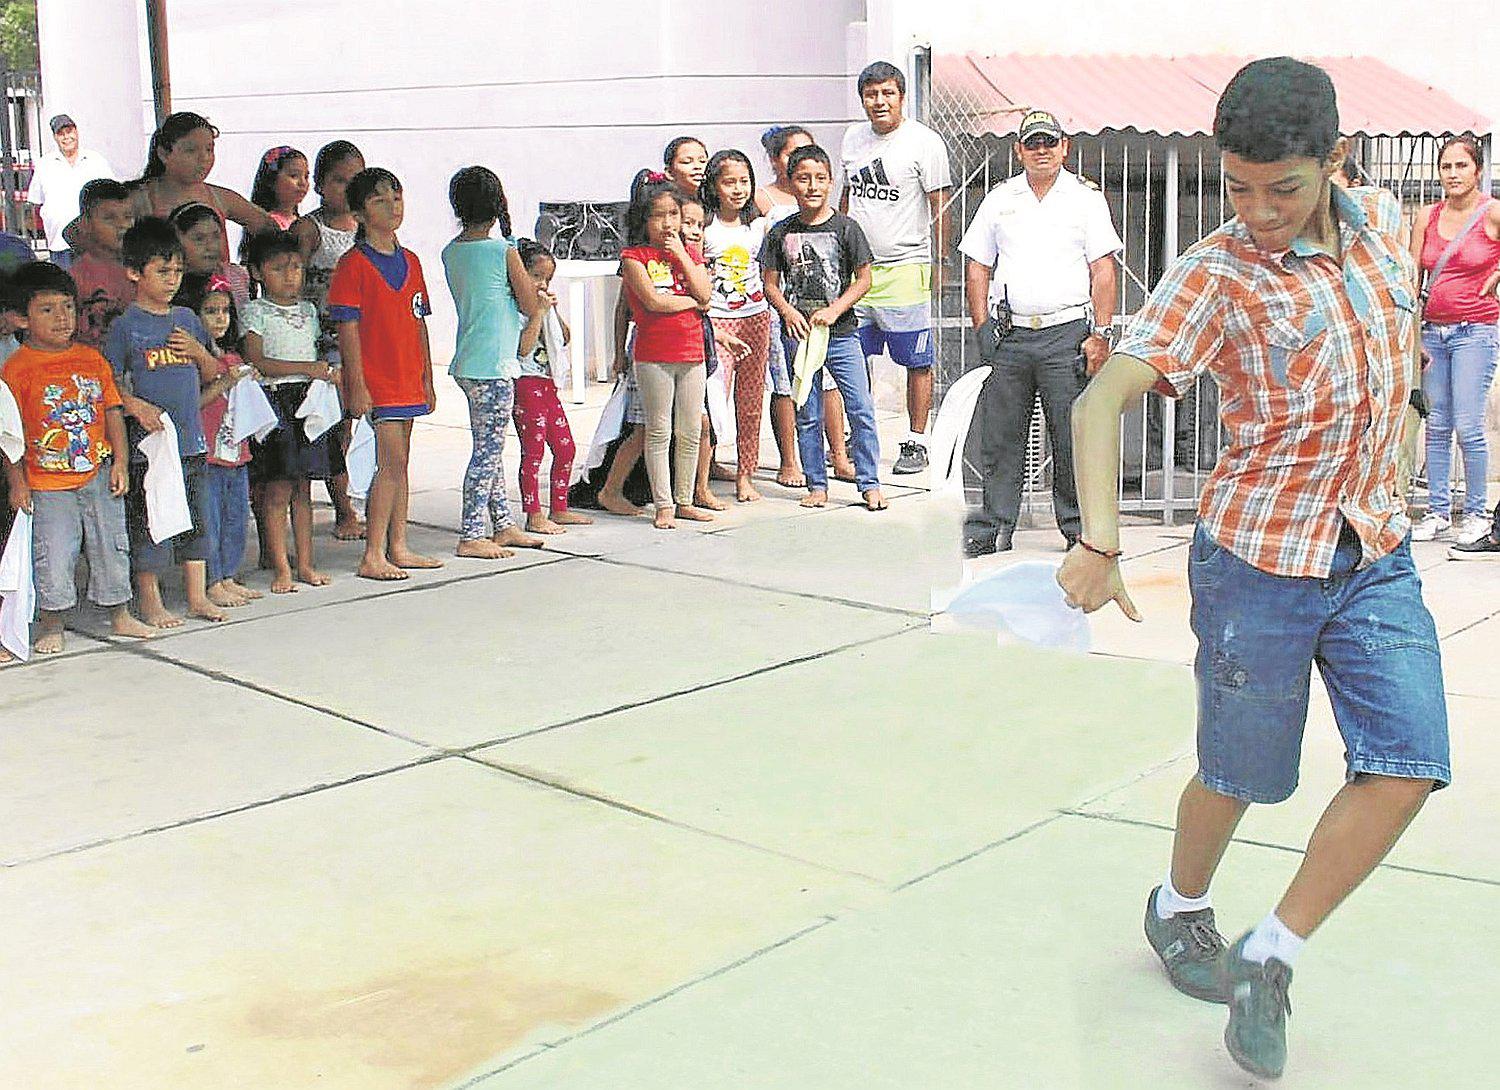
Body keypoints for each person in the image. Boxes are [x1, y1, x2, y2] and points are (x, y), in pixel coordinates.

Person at [1059, 57, 1444, 1081]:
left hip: (1372, 551)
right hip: (1257, 564)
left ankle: (1270, 954)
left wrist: (1403, 430)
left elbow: (1398, 362)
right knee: (1244, 777)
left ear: (1336, 163)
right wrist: (1099, 540)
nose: (1259, 211)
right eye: (1238, 186)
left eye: (1284, 188)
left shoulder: (1386, 233)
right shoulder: (1216, 272)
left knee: (1408, 762)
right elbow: (1102, 403)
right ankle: (1180, 906)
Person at [958, 108, 1123, 556]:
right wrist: (981, 325)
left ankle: (1076, 530)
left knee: (1070, 437)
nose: (1042, 151)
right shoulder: (1000, 198)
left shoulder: (1085, 199)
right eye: (1033, 143)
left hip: (1065, 334)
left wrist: (1101, 334)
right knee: (1000, 437)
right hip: (1010, 335)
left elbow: (1103, 271)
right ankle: (994, 527)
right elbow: (977, 264)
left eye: (1050, 142)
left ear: (1064, 147)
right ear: (1019, 151)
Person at [0, 262, 155, 655]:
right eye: (47, 310)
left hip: (98, 473)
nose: (61, 318)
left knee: (111, 543)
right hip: (46, 482)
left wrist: (120, 461)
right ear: (22, 318)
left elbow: (111, 411)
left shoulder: (91, 358)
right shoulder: (15, 369)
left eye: (67, 307)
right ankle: (53, 620)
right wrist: (18, 483)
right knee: (53, 551)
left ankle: (119, 610)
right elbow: (9, 435)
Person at [103, 217, 227, 627]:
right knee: (149, 520)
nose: (172, 279)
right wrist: (134, 404)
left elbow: (214, 373)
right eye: (162, 271)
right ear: (135, 272)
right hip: (148, 446)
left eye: (177, 270)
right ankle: (151, 598)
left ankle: (197, 594)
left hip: (190, 441)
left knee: (197, 518)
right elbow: (105, 384)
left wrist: (196, 350)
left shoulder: (189, 319)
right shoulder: (126, 327)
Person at [327, 167, 442, 581]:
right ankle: (373, 551)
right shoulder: (353, 265)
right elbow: (348, 327)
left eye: (396, 197)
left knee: (401, 464)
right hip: (379, 379)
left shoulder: (411, 261)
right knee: (388, 464)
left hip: (408, 374)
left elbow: (419, 322)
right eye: (379, 200)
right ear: (358, 213)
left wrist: (427, 377)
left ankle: (398, 544)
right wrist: (357, 384)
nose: (392, 206)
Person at [840, 60, 952, 475]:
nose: (879, 101)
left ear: (901, 97)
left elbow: (941, 205)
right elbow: (847, 198)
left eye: (887, 93)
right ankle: (860, 433)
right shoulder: (853, 139)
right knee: (853, 356)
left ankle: (916, 440)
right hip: (859, 271)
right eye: (871, 94)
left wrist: (941, 262)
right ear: (863, 100)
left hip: (907, 266)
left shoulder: (925, 142)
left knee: (915, 360)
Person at [762, 145, 884, 512]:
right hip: (799, 337)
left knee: (860, 408)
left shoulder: (847, 228)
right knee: (807, 409)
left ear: (831, 182)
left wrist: (834, 310)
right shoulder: (781, 231)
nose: (812, 186)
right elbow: (770, 283)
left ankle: (870, 483)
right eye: (803, 179)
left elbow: (863, 279)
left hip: (842, 334)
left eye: (819, 179)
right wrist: (787, 312)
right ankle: (817, 484)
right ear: (790, 183)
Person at [440, 165, 544, 559]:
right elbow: (528, 302)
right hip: (495, 364)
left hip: (470, 359)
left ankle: (502, 523)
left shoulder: (451, 251)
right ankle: (471, 532)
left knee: (490, 446)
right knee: (487, 450)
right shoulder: (503, 250)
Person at [1408, 134, 1500, 546]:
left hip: (1475, 329)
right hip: (1433, 333)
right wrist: (1410, 334)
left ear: (1477, 170)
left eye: (1461, 166)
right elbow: (1413, 275)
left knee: (1468, 424)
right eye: (1447, 167)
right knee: (1437, 424)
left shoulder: (1491, 213)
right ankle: (1438, 511)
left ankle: (1479, 511)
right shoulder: (1427, 216)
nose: (1453, 174)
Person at [618, 176, 715, 530]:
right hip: (654, 354)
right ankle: (664, 504)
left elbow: (706, 293)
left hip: (692, 353)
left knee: (690, 429)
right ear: (643, 219)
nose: (669, 223)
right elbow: (654, 301)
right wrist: (690, 301)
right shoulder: (633, 258)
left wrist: (681, 256)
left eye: (673, 214)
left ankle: (685, 499)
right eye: (659, 216)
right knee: (659, 430)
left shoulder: (687, 252)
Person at [241, 230, 335, 593]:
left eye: (296, 267)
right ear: (258, 273)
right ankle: (281, 565)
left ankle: (307, 563)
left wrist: (319, 374)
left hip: (308, 400)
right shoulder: (256, 311)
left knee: (303, 488)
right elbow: (258, 361)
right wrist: (308, 369)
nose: (291, 275)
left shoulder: (309, 311)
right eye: (279, 269)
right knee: (278, 488)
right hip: (276, 399)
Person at [294, 139, 367, 542]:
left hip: (361, 336)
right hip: (323, 340)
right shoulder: (310, 228)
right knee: (332, 424)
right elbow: (292, 278)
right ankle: (342, 508)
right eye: (339, 180)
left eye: (354, 180)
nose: (346, 188)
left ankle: (357, 498)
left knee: (355, 424)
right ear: (321, 184)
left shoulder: (365, 229)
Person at [185, 275, 261, 608]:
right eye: (211, 311)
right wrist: (224, 382)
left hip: (236, 450)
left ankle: (228, 573)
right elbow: (192, 405)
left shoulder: (231, 357)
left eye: (226, 311)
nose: (220, 318)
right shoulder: (192, 361)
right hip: (209, 454)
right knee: (210, 521)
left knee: (235, 518)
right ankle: (212, 579)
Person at [702, 149, 772, 502]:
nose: (738, 189)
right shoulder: (704, 227)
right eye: (729, 182)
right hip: (718, 320)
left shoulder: (759, 226)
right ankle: (707, 465)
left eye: (744, 181)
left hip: (756, 317)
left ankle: (746, 474)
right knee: (715, 396)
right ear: (713, 186)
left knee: (751, 399)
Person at [514, 238, 592, 534]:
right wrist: (538, 314)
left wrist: (552, 312)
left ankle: (559, 508)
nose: (542, 283)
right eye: (536, 276)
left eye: (547, 278)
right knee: (533, 453)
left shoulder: (544, 308)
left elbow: (565, 337)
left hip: (548, 385)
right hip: (526, 384)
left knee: (566, 447)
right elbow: (522, 348)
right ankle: (533, 514)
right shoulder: (517, 312)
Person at [130, 112, 276, 263]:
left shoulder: (219, 197)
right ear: (164, 154)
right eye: (191, 150)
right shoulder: (140, 199)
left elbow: (267, 226)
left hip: (218, 284)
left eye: (209, 150)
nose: (204, 158)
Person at [756, 125, 816, 487]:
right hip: (780, 306)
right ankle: (788, 460)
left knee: (824, 385)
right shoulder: (763, 199)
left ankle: (836, 455)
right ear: (776, 159)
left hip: (817, 304)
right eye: (793, 153)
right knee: (784, 383)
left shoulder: (817, 194)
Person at [25, 115, 113, 269]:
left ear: (77, 132)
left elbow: (113, 196)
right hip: (59, 245)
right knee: (65, 290)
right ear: (55, 137)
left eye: (69, 131)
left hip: (92, 244)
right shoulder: (45, 165)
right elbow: (35, 203)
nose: (67, 137)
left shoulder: (96, 161)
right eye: (61, 133)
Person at [69, 179, 136, 349]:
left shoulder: (142, 269)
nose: (122, 226)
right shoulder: (76, 277)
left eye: (128, 217)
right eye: (109, 218)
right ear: (85, 224)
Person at [169, 202, 252, 313]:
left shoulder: (236, 276)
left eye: (216, 236)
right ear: (176, 241)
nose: (211, 246)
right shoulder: (168, 283)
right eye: (199, 238)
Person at [248, 146, 310, 231]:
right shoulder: (266, 224)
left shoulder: (305, 223)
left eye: (306, 177)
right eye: (293, 176)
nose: (303, 183)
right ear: (271, 180)